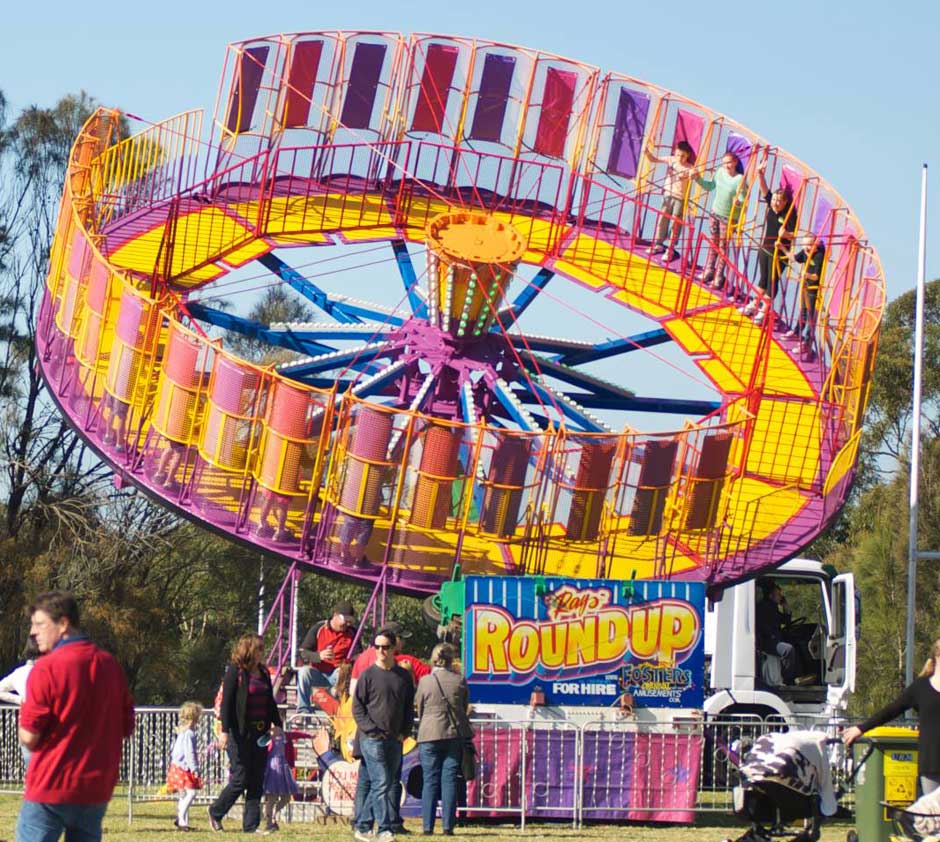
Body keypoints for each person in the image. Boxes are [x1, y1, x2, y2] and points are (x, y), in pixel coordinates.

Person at [15, 590, 135, 842]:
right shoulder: (110, 666)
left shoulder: (47, 668)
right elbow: (126, 726)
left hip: (52, 783)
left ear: (63, 623)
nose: (32, 632)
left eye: (39, 624)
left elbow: (29, 736)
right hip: (95, 786)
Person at [843, 638, 940, 796]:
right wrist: (860, 728)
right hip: (932, 763)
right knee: (934, 816)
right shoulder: (920, 688)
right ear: (937, 657)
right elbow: (890, 711)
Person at [208, 633, 283, 833]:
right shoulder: (235, 672)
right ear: (249, 650)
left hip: (260, 733)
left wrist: (277, 724)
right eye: (259, 649)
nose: (262, 653)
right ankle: (215, 812)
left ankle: (251, 826)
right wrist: (224, 732)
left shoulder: (264, 673)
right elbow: (227, 704)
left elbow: (270, 701)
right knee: (240, 777)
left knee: (256, 779)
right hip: (239, 733)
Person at [352, 630, 416, 842]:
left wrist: (404, 733)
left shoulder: (403, 676)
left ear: (394, 648)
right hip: (371, 739)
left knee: (386, 783)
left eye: (385, 647)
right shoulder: (368, 675)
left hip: (394, 739)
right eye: (377, 647)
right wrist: (371, 730)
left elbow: (409, 708)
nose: (380, 651)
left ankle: (362, 825)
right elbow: (357, 707)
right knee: (381, 782)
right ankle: (384, 829)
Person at [415, 643, 473, 837]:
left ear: (433, 659)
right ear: (451, 660)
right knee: (449, 780)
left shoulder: (425, 681)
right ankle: (448, 826)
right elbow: (464, 708)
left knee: (430, 780)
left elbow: (419, 708)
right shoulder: (459, 680)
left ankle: (427, 826)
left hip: (429, 734)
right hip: (453, 734)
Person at [740, 156, 796, 325]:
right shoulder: (771, 205)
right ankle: (754, 303)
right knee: (762, 279)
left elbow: (794, 234)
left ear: (785, 203)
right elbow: (765, 190)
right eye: (774, 200)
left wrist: (785, 234)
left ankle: (764, 310)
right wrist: (760, 173)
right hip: (765, 247)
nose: (775, 203)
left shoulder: (789, 215)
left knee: (772, 281)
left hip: (779, 253)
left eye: (779, 201)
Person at [694, 151, 747, 292]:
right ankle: (709, 270)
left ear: (735, 162)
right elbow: (710, 186)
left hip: (728, 218)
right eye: (724, 163)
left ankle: (719, 276)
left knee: (723, 247)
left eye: (729, 162)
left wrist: (738, 203)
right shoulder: (719, 172)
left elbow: (743, 200)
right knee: (714, 243)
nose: (726, 165)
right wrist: (698, 179)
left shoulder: (739, 179)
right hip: (715, 213)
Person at [296, 601, 359, 713]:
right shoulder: (319, 628)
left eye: (350, 621)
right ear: (335, 616)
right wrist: (318, 655)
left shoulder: (353, 633)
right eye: (345, 619)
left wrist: (349, 663)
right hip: (318, 672)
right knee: (303, 672)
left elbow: (358, 656)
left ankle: (338, 710)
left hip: (338, 674)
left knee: (343, 672)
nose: (347, 624)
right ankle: (303, 711)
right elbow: (302, 652)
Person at [645, 140, 696, 262]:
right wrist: (647, 153)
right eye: (678, 155)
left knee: (675, 224)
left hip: (679, 198)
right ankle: (658, 243)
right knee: (662, 219)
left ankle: (670, 249)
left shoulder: (690, 167)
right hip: (667, 195)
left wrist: (687, 175)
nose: (680, 158)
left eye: (683, 156)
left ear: (688, 155)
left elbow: (693, 174)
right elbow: (654, 159)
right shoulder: (671, 160)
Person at [784, 234, 826, 359]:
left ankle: (806, 343)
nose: (806, 247)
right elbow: (794, 258)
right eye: (804, 244)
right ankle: (797, 332)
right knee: (802, 311)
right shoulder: (805, 252)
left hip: (813, 290)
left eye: (809, 244)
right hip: (805, 287)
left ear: (815, 244)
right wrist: (782, 248)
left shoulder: (818, 256)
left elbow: (816, 277)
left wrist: (806, 274)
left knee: (810, 316)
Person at [0, 637, 40, 769]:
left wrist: (20, 700)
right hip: (49, 725)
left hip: (27, 724)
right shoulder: (50, 671)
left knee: (32, 769)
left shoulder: (19, 673)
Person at [166, 701, 203, 832]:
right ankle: (180, 817)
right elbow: (189, 753)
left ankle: (183, 823)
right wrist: (195, 768)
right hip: (183, 768)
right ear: (194, 718)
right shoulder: (189, 734)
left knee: (183, 795)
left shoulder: (182, 732)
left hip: (176, 766)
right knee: (191, 793)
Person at [755, 580, 797, 684]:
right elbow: (765, 628)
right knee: (788, 650)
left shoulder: (773, 607)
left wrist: (785, 606)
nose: (780, 597)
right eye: (778, 594)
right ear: (770, 596)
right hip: (767, 642)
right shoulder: (763, 608)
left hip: (774, 640)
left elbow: (786, 621)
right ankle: (787, 680)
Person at [259, 731, 300, 834]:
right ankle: (269, 823)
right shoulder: (267, 735)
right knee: (272, 797)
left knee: (286, 797)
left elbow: (297, 734)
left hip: (283, 768)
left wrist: (310, 736)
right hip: (272, 768)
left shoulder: (284, 734)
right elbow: (259, 744)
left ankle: (273, 816)